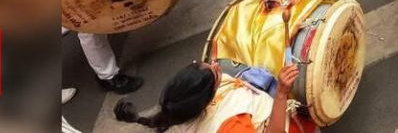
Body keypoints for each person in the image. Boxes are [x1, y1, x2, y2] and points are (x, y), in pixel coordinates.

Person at [114, 61, 306, 133]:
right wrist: (281, 93)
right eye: (214, 72)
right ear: (207, 97)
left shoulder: (179, 107)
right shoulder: (230, 126)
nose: (216, 65)